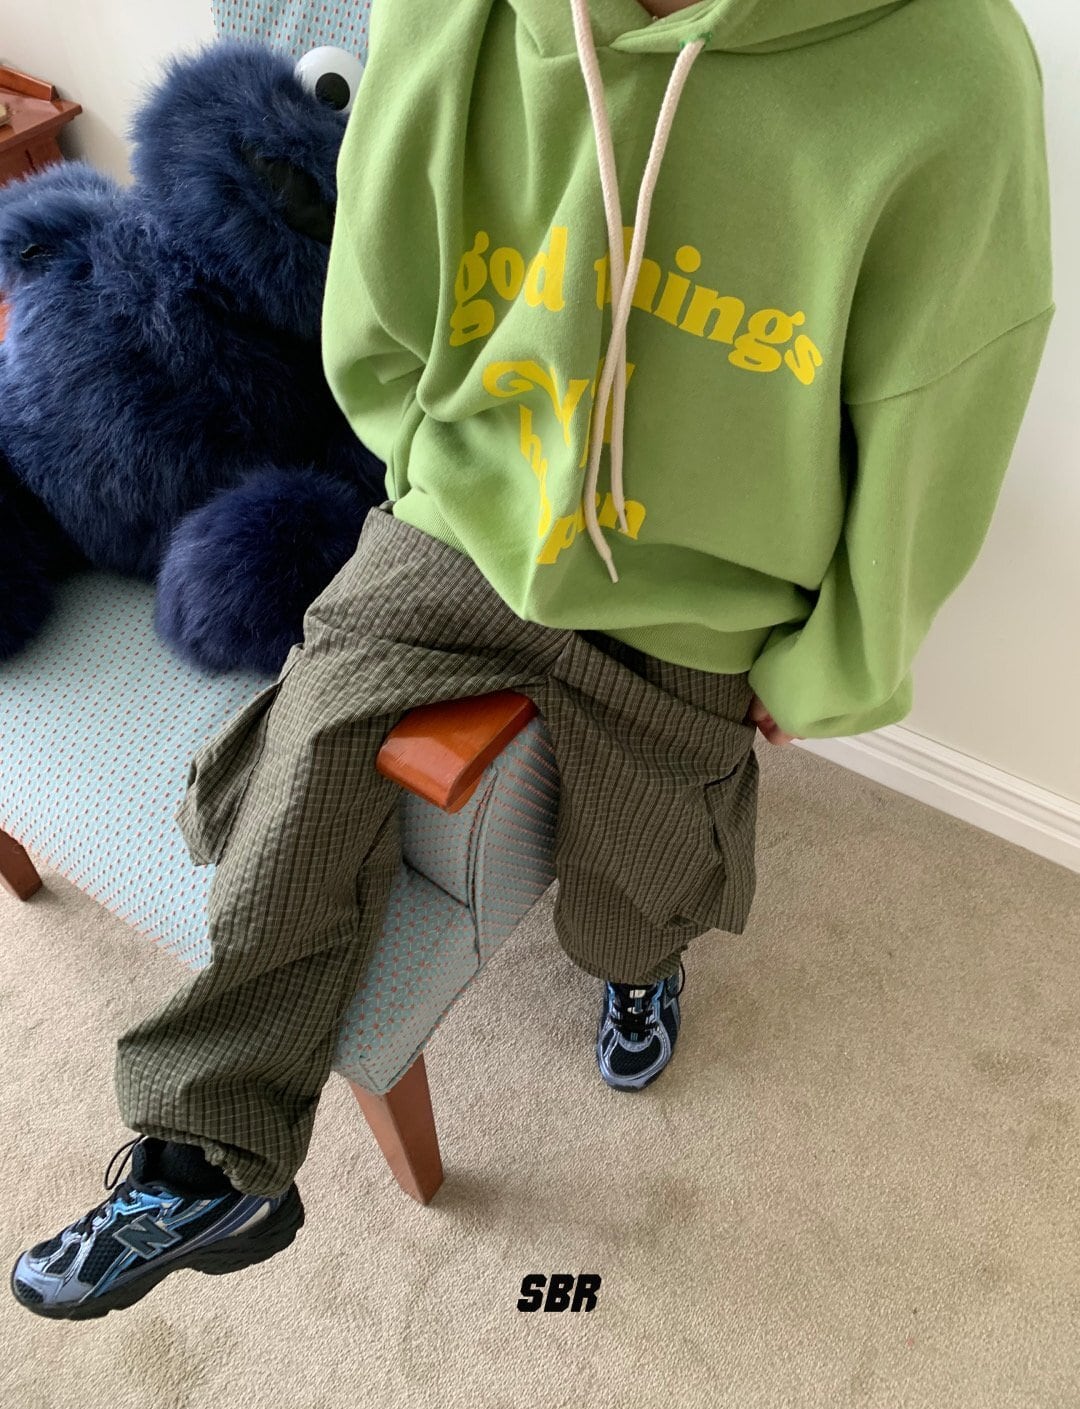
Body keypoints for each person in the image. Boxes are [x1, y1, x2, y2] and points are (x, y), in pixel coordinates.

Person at [11, 0, 1052, 1321]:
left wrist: (828, 668)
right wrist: (426, 464)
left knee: (650, 862)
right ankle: (206, 1158)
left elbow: (937, 419)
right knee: (301, 767)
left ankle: (638, 968)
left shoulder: (951, 70)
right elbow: (379, 279)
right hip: (464, 516)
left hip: (707, 579)